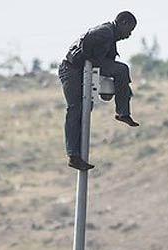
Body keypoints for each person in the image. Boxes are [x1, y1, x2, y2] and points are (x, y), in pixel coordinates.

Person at [60, 11, 139, 171]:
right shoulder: (105, 32)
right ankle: (73, 156)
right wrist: (92, 61)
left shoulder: (110, 35)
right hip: (72, 70)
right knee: (76, 109)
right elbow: (87, 42)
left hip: (84, 68)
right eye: (129, 30)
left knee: (85, 109)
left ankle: (123, 112)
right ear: (123, 23)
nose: (129, 35)